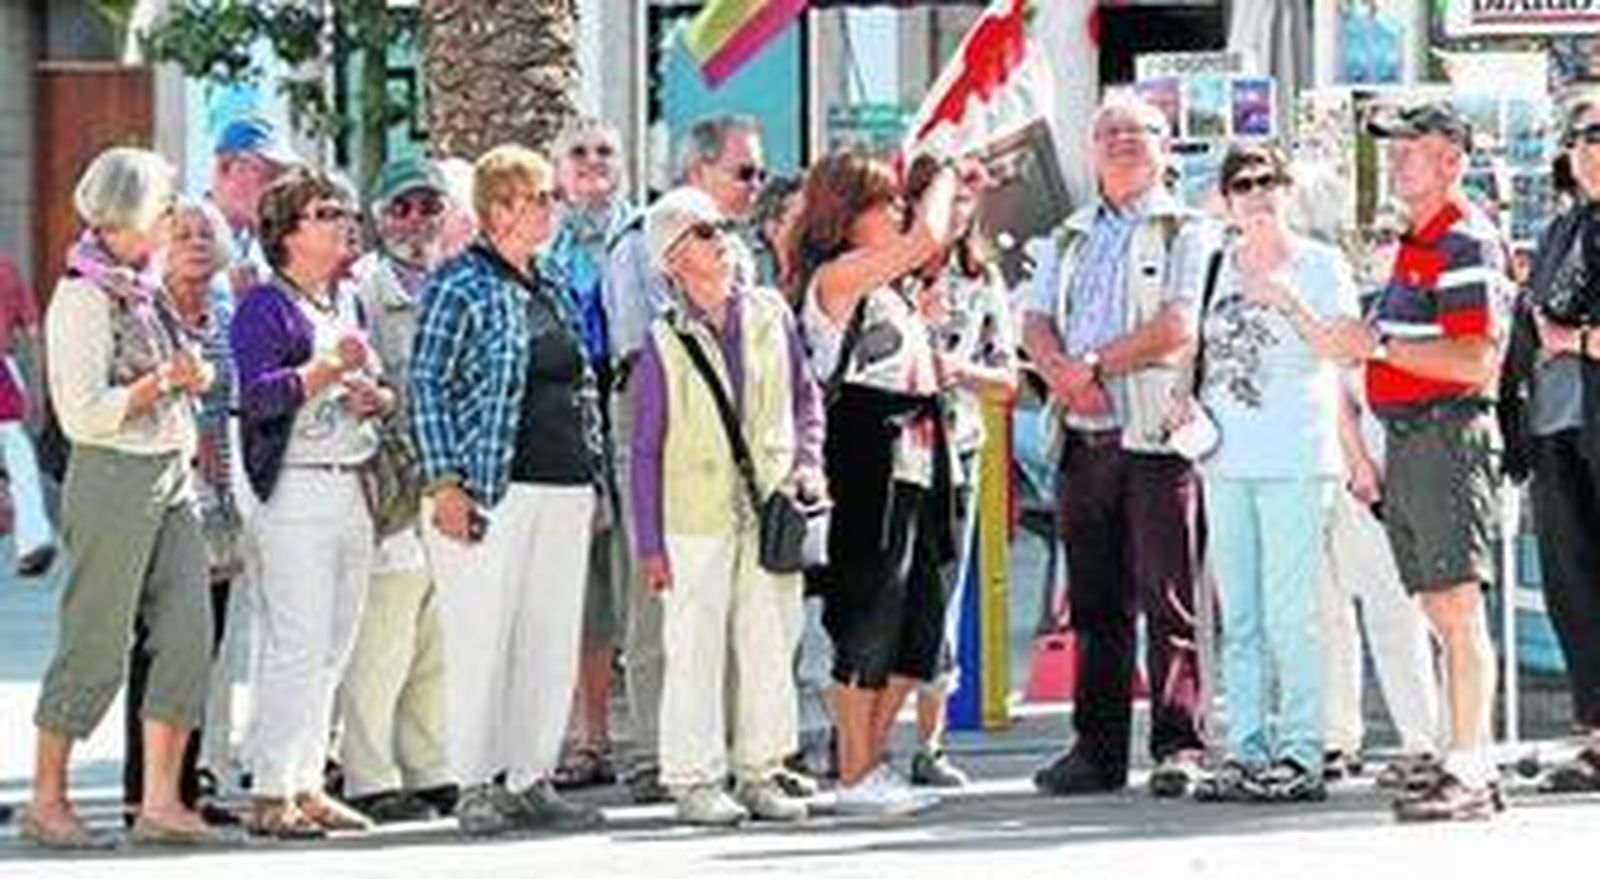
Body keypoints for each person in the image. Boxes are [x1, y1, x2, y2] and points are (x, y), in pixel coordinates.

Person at [24, 148, 217, 848]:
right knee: (95, 640)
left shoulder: (143, 285)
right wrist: (164, 381)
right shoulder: (82, 295)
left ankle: (160, 801)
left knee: (190, 636)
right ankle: (47, 800)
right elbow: (81, 414)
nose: (175, 217)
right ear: (137, 212)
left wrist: (183, 382)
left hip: (167, 471)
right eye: (167, 205)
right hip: (111, 476)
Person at [410, 144, 605, 836]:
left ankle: (531, 775)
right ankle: (475, 780)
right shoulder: (458, 283)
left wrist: (595, 474)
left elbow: (581, 382)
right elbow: (425, 383)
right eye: (540, 196)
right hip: (492, 484)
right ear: (500, 208)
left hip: (563, 481)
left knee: (549, 637)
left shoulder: (551, 279)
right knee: (480, 637)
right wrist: (443, 480)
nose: (552, 207)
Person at [1021, 93, 1210, 798]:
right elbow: (1035, 320)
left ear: (1167, 148)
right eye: (1110, 132)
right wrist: (1063, 377)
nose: (1124, 142)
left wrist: (1093, 366)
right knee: (1094, 604)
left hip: (1153, 433)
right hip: (1081, 433)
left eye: (1141, 132)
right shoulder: (1069, 233)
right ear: (1091, 148)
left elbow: (1177, 326)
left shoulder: (1185, 228)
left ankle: (1178, 745)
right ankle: (1095, 751)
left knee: (1169, 599)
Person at [1332, 100, 1511, 821]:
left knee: (1458, 608)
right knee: (1440, 604)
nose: (1398, 159)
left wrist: (1373, 348)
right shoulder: (1418, 240)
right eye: (1397, 148)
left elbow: (1474, 359)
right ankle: (1463, 757)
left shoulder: (1465, 240)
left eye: (1413, 148)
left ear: (1451, 162)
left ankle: (1470, 766)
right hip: (1414, 436)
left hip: (1446, 432)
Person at [631, 187, 824, 825]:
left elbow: (805, 398)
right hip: (694, 516)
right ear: (673, 260)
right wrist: (651, 543)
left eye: (720, 227)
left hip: (771, 506)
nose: (722, 238)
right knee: (693, 647)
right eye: (704, 232)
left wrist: (808, 464)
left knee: (770, 641)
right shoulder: (661, 339)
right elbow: (645, 448)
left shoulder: (770, 312)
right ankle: (693, 779)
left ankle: (763, 770)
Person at [1177, 144, 1356, 802]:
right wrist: (1179, 393)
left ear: (1287, 189)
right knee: (1241, 617)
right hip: (1225, 456)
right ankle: (1246, 745)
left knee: (1292, 614)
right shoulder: (1215, 262)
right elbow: (1197, 343)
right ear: (1225, 197)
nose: (1256, 194)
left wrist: (1286, 301)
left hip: (1296, 456)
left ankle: (1303, 748)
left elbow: (1340, 345)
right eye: (1242, 184)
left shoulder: (1321, 263)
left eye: (1267, 181)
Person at [606, 113, 776, 804]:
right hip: (659, 417)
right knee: (662, 602)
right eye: (744, 171)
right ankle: (657, 751)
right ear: (698, 172)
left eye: (760, 172)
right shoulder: (639, 245)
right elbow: (635, 350)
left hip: (736, 441)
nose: (756, 186)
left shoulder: (744, 255)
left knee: (742, 608)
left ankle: (741, 751)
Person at [791, 150, 960, 815]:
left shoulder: (889, 285)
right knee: (868, 604)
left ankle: (869, 758)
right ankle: (855, 768)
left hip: (918, 444)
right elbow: (928, 235)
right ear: (846, 212)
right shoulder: (838, 277)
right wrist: (942, 173)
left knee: (918, 611)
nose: (898, 212)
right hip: (866, 446)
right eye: (884, 202)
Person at [233, 167, 386, 838]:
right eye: (325, 212)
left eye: (344, 210)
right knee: (296, 640)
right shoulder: (264, 306)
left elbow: (373, 387)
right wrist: (326, 371)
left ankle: (307, 779)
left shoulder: (343, 302)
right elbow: (257, 395)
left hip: (348, 477)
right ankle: (271, 789)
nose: (341, 221)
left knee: (335, 640)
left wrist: (374, 397)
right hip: (294, 486)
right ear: (288, 232)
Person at [339, 156, 457, 822]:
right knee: (382, 635)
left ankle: (429, 764)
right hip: (391, 483)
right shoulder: (362, 289)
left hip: (449, 482)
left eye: (427, 206)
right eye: (401, 208)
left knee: (434, 635)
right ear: (379, 218)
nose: (415, 220)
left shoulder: (457, 281)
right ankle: (370, 772)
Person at [122, 199, 244, 828]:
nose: (196, 243)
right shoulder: (146, 311)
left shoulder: (225, 310)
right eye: (183, 234)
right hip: (165, 493)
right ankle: (141, 791)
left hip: (221, 502)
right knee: (160, 643)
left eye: (206, 233)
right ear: (159, 245)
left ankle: (185, 784)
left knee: (206, 645)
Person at [899, 154, 1017, 789]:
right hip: (887, 451)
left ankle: (930, 741)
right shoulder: (886, 271)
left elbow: (1007, 381)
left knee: (942, 591)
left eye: (965, 198)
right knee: (880, 590)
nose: (953, 209)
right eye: (940, 196)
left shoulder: (982, 279)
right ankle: (854, 736)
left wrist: (957, 371)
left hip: (956, 448)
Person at [1502, 94, 1600, 794]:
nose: (1593, 147)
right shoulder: (1564, 229)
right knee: (1573, 585)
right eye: (1584, 136)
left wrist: (1581, 341)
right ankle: (1597, 735)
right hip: (1558, 426)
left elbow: (1564, 333)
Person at [545, 117, 632, 791]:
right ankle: (591, 735)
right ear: (558, 170)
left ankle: (665, 735)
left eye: (604, 151)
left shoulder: (646, 235)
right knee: (587, 587)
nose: (592, 163)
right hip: (573, 413)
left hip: (640, 407)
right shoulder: (545, 248)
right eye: (578, 153)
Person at [0, 249, 55, 576]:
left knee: (16, 453)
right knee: (18, 455)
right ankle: (34, 540)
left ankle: (34, 540)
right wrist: (36, 390)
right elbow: (33, 333)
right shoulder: (6, 267)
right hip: (3, 369)